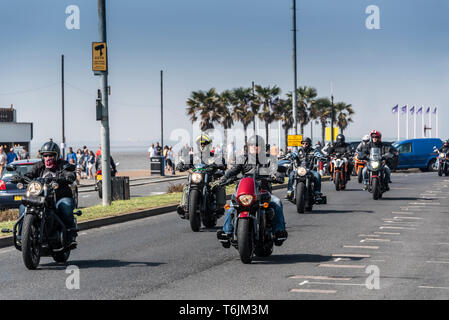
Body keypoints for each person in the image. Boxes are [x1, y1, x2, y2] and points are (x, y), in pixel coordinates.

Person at [216, 135, 288, 246]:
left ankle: (279, 232)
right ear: (248, 147)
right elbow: (232, 171)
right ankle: (227, 233)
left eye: (257, 145)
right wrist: (224, 178)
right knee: (231, 207)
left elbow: (275, 170)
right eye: (252, 145)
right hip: (244, 192)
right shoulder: (242, 159)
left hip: (263, 192)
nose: (255, 147)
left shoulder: (269, 160)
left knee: (277, 203)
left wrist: (278, 176)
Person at [14, 140, 78, 246]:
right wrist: (20, 178)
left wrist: (67, 176)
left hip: (59, 196)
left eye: (51, 155)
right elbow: (30, 174)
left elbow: (70, 174)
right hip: (40, 196)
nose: (48, 158)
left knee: (66, 206)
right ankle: (21, 237)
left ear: (56, 156)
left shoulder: (63, 164)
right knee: (23, 207)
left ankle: (70, 235)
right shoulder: (39, 165)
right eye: (45, 155)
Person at [176, 134, 226, 218]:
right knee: (186, 187)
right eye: (200, 143)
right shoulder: (194, 157)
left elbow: (222, 163)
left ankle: (219, 207)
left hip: (210, 181)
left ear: (209, 144)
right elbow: (184, 161)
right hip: (196, 179)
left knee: (219, 185)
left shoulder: (214, 156)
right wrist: (180, 165)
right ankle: (183, 207)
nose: (202, 145)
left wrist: (219, 165)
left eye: (204, 143)